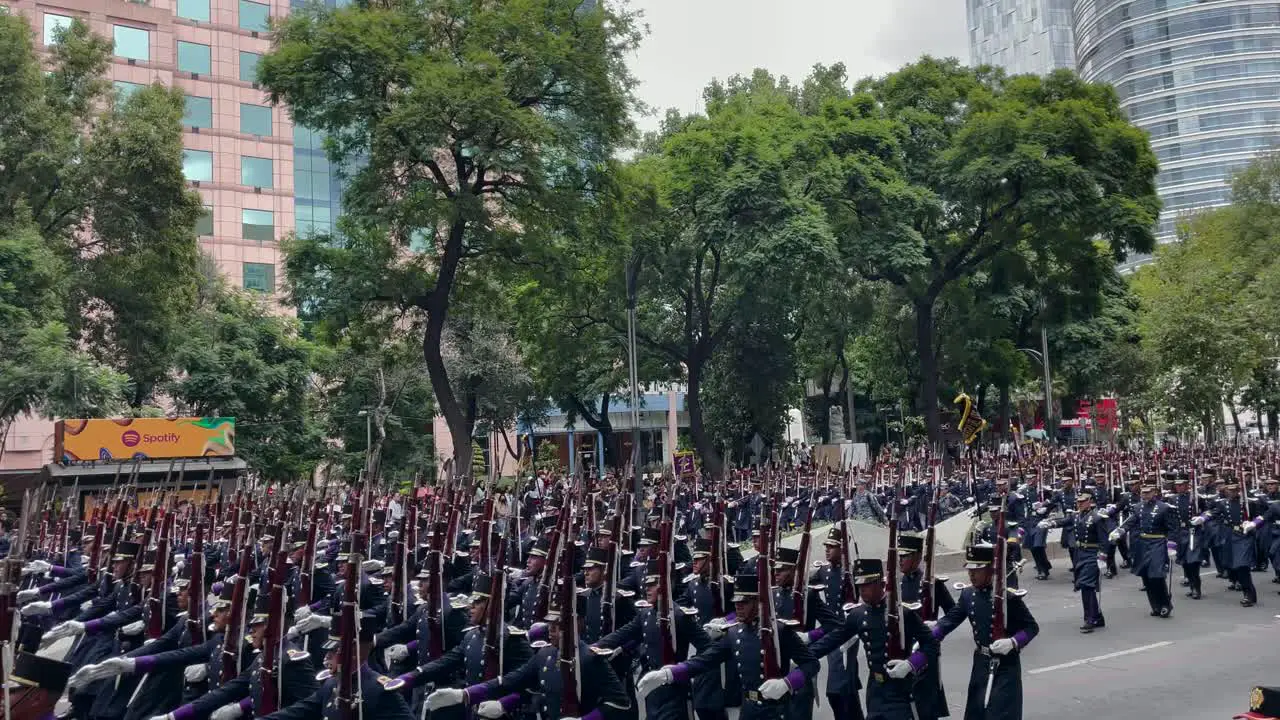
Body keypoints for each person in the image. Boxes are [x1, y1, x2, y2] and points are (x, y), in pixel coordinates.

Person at [634, 573, 820, 720]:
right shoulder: (734, 634)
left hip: (777, 711)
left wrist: (787, 683)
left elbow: (811, 664)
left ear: (758, 602)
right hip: (749, 710)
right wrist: (668, 674)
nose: (738, 607)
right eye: (736, 603)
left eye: (744, 603)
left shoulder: (779, 631)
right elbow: (705, 660)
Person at [808, 558, 937, 720]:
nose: (862, 590)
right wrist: (803, 656)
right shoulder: (858, 615)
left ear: (881, 584)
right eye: (860, 585)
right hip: (875, 689)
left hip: (900, 689)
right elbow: (832, 639)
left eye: (867, 584)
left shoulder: (903, 614)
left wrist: (911, 664)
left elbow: (931, 644)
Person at [931, 544, 1039, 720]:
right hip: (981, 663)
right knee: (977, 713)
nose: (971, 575)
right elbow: (949, 620)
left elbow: (1032, 628)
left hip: (1005, 665)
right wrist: (927, 636)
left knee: (999, 713)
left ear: (990, 569)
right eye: (970, 570)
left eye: (977, 570)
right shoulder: (968, 595)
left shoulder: (1007, 598)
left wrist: (1013, 642)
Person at [1039, 489, 1107, 632]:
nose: (1079, 504)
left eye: (1083, 501)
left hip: (1092, 554)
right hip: (1080, 554)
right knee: (1085, 586)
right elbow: (1064, 521)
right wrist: (1050, 523)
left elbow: (1104, 541)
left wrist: (1102, 557)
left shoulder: (1097, 518)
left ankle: (1090, 619)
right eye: (1078, 501)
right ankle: (1098, 616)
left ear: (1090, 502)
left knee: (1086, 586)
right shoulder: (1076, 516)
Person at [1111, 483, 1178, 618]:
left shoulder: (1164, 508)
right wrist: (1119, 531)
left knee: (1156, 575)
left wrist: (1171, 546)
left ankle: (1165, 604)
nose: (1145, 495)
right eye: (1143, 492)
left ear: (1154, 492)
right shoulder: (1138, 507)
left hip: (1157, 542)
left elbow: (1172, 528)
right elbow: (1130, 522)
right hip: (1143, 543)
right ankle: (1155, 606)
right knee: (1146, 576)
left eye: (1148, 492)